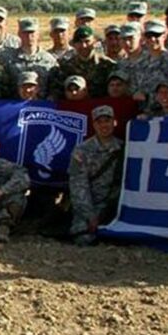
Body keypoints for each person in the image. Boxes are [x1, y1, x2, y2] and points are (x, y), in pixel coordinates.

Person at [69, 105, 123, 246]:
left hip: (116, 204)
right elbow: (78, 187)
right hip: (93, 204)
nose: (104, 125)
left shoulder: (124, 148)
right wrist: (90, 215)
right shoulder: (82, 150)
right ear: (94, 125)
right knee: (83, 237)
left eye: (107, 121)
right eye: (100, 122)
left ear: (114, 122)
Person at [49, 25, 115, 100]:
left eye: (87, 41)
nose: (84, 46)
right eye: (79, 42)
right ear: (73, 44)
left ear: (94, 42)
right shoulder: (66, 67)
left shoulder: (108, 64)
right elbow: (58, 92)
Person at [0, 17, 57, 98]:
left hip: (41, 104)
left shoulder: (49, 60)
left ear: (38, 34)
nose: (29, 36)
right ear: (19, 34)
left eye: (32, 32)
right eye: (25, 33)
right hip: (14, 103)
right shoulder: (7, 58)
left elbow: (55, 88)